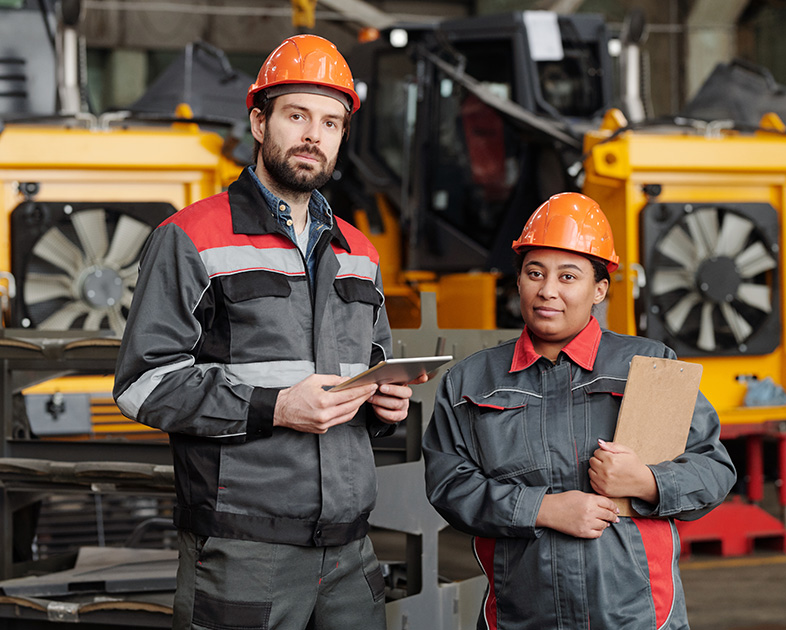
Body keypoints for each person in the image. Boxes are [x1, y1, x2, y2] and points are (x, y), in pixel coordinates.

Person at [114, 34, 421, 630]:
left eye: (330, 122)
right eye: (297, 115)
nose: (313, 135)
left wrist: (388, 402)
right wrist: (275, 407)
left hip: (351, 549)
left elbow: (377, 357)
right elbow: (143, 384)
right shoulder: (191, 237)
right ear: (259, 122)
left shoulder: (359, 251)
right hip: (242, 548)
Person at [422, 192, 736, 630]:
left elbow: (714, 470)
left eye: (568, 276)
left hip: (638, 617)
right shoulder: (471, 381)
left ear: (599, 289)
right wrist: (541, 509)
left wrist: (648, 481)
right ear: (519, 282)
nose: (547, 290)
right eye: (535, 273)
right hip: (522, 617)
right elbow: (449, 486)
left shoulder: (650, 367)